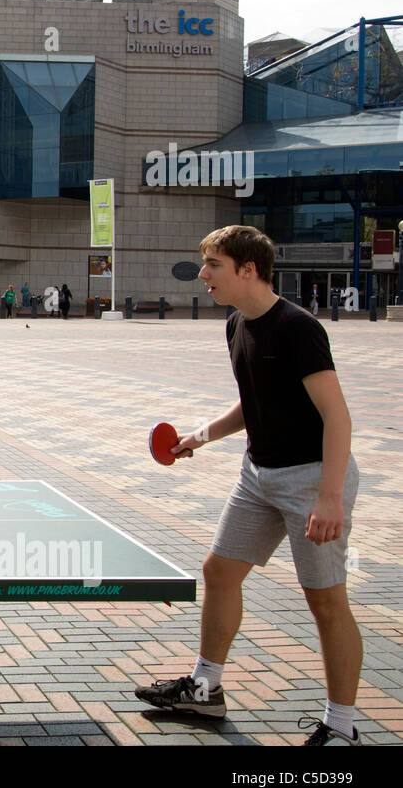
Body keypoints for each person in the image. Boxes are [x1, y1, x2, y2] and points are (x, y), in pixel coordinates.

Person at [134, 225, 363, 746]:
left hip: (312, 478)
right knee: (219, 571)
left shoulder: (298, 329)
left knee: (325, 601)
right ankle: (205, 688)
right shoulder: (237, 324)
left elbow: (337, 416)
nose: (203, 274)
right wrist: (202, 435)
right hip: (258, 473)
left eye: (213, 264)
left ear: (248, 269)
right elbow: (255, 400)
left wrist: (329, 497)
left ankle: (342, 725)